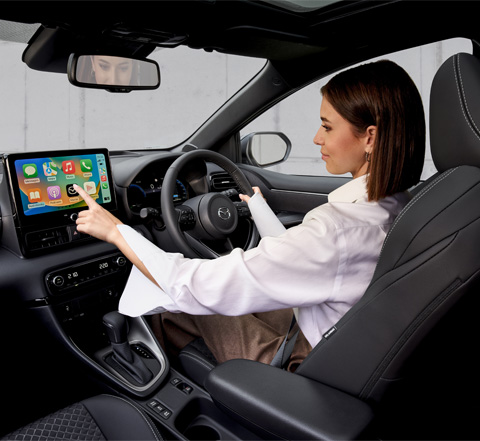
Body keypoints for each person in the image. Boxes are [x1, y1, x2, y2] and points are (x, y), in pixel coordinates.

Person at [73, 59, 425, 372]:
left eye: (328, 127)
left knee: (180, 304)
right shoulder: (399, 204)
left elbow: (194, 284)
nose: (317, 138)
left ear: (370, 138)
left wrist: (118, 231)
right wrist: (256, 210)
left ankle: (150, 392)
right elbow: (307, 259)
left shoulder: (337, 229)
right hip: (340, 343)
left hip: (301, 366)